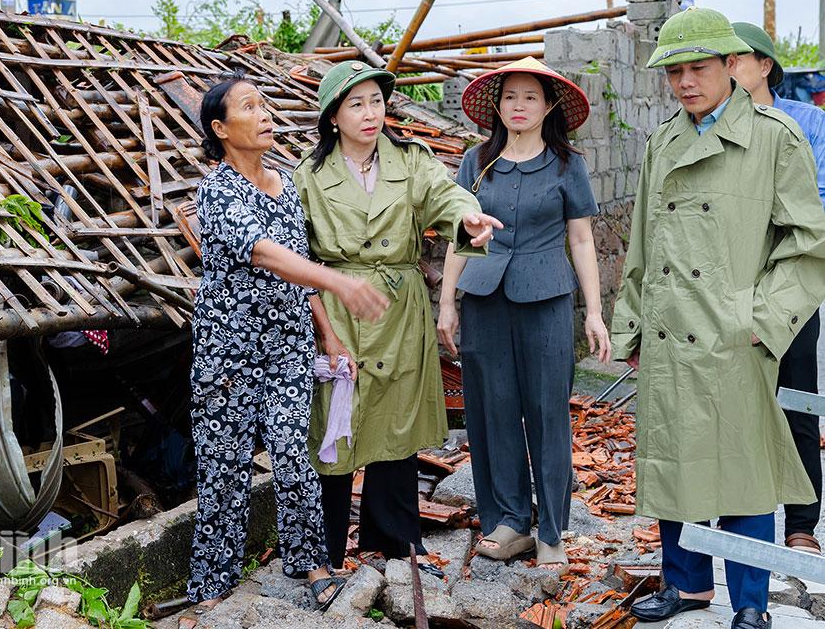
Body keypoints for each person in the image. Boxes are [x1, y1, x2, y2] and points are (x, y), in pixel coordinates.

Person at [610, 8, 825, 629]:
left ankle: (751, 602)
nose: (684, 82)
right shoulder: (662, 141)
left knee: (742, 468)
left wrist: (761, 319)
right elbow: (642, 244)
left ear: (732, 65)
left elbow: (808, 243)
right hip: (670, 328)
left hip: (735, 335)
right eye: (673, 71)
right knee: (674, 462)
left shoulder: (775, 137)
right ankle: (686, 586)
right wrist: (633, 325)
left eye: (698, 68)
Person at [182, 75, 390, 628]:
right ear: (221, 129)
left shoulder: (284, 183)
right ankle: (213, 584)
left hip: (288, 346)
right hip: (228, 353)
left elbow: (297, 267)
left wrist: (328, 334)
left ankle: (312, 566)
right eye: (249, 107)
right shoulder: (216, 191)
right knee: (223, 467)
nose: (264, 114)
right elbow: (265, 254)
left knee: (294, 454)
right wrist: (339, 281)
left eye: (264, 104)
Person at [292, 61, 501, 573]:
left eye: (376, 102)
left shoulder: (410, 160)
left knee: (396, 420)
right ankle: (325, 547)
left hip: (398, 309)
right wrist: (320, 320)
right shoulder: (308, 176)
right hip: (338, 305)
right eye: (356, 104)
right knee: (334, 421)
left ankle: (394, 540)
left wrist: (467, 217)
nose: (370, 114)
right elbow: (296, 256)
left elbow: (444, 196)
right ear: (333, 117)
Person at [436, 56, 611, 573]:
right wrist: (447, 303)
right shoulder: (476, 161)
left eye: (530, 96)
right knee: (492, 409)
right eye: (509, 96)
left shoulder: (567, 164)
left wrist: (594, 312)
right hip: (484, 300)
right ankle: (509, 521)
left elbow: (582, 239)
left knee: (547, 412)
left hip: (547, 299)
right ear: (497, 106)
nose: (519, 105)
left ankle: (552, 531)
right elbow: (461, 235)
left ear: (549, 106)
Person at [729, 21, 825, 556]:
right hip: (729, 286)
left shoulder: (808, 123)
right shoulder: (710, 128)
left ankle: (802, 524)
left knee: (795, 398)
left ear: (765, 66)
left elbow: (818, 202)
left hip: (790, 284)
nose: (726, 70)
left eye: (736, 60)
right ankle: (744, 516)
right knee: (734, 402)